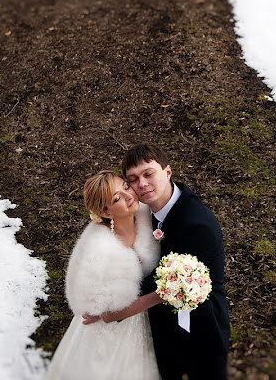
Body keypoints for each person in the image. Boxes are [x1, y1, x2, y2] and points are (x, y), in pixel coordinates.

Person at [85, 144, 231, 379]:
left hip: (200, 332)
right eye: (133, 179)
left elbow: (171, 288)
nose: (141, 184)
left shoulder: (196, 225)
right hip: (159, 332)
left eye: (148, 173)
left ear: (168, 172)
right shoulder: (142, 211)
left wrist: (113, 312)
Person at [46, 171, 161, 380]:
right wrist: (163, 294)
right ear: (106, 213)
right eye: (117, 198)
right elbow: (108, 314)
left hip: (140, 320)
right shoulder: (99, 250)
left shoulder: (147, 217)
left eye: (126, 187)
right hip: (106, 331)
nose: (128, 196)